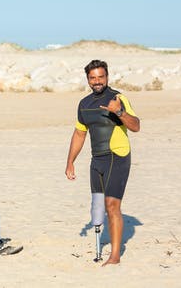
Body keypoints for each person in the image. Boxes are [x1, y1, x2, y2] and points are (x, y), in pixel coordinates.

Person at [65, 60, 140, 266]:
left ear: (107, 77)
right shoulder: (84, 104)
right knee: (98, 206)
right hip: (97, 160)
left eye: (101, 77)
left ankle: (114, 257)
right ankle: (101, 250)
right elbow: (80, 134)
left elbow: (136, 126)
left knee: (112, 205)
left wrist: (119, 112)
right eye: (93, 77)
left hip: (118, 156)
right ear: (88, 79)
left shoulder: (118, 98)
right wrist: (70, 162)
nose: (97, 81)